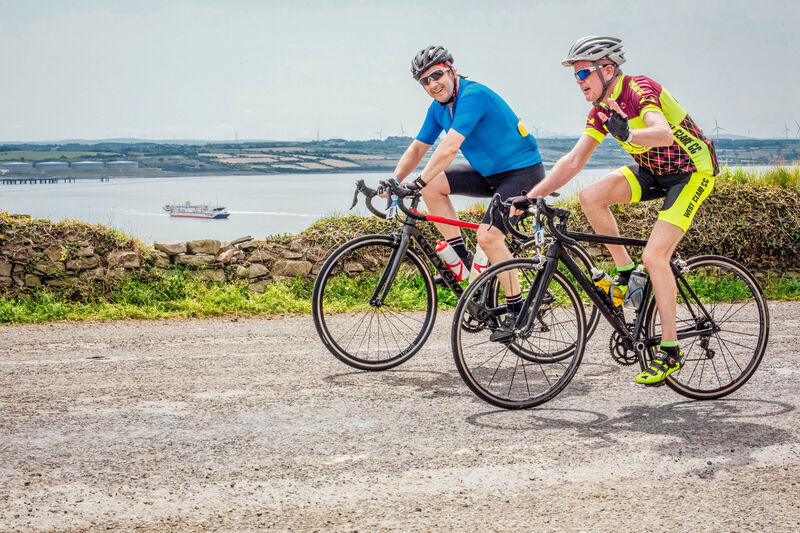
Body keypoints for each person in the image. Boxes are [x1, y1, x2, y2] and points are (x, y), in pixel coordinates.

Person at [510, 36, 718, 384]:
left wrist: (629, 135)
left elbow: (663, 134)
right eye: (575, 76)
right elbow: (574, 160)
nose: (579, 82)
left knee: (655, 257)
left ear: (607, 70)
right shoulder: (601, 111)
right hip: (654, 170)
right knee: (590, 196)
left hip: (691, 171)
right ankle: (626, 274)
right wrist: (530, 197)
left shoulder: (639, 89)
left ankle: (670, 351)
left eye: (583, 74)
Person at [382, 45, 544, 332]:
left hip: (522, 172)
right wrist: (394, 181)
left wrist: (417, 181)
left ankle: (518, 309)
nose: (433, 84)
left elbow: (449, 148)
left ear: (452, 71)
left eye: (437, 75)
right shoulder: (438, 109)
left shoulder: (473, 96)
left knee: (489, 236)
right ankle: (463, 260)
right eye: (425, 81)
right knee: (433, 186)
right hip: (488, 173)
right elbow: (418, 148)